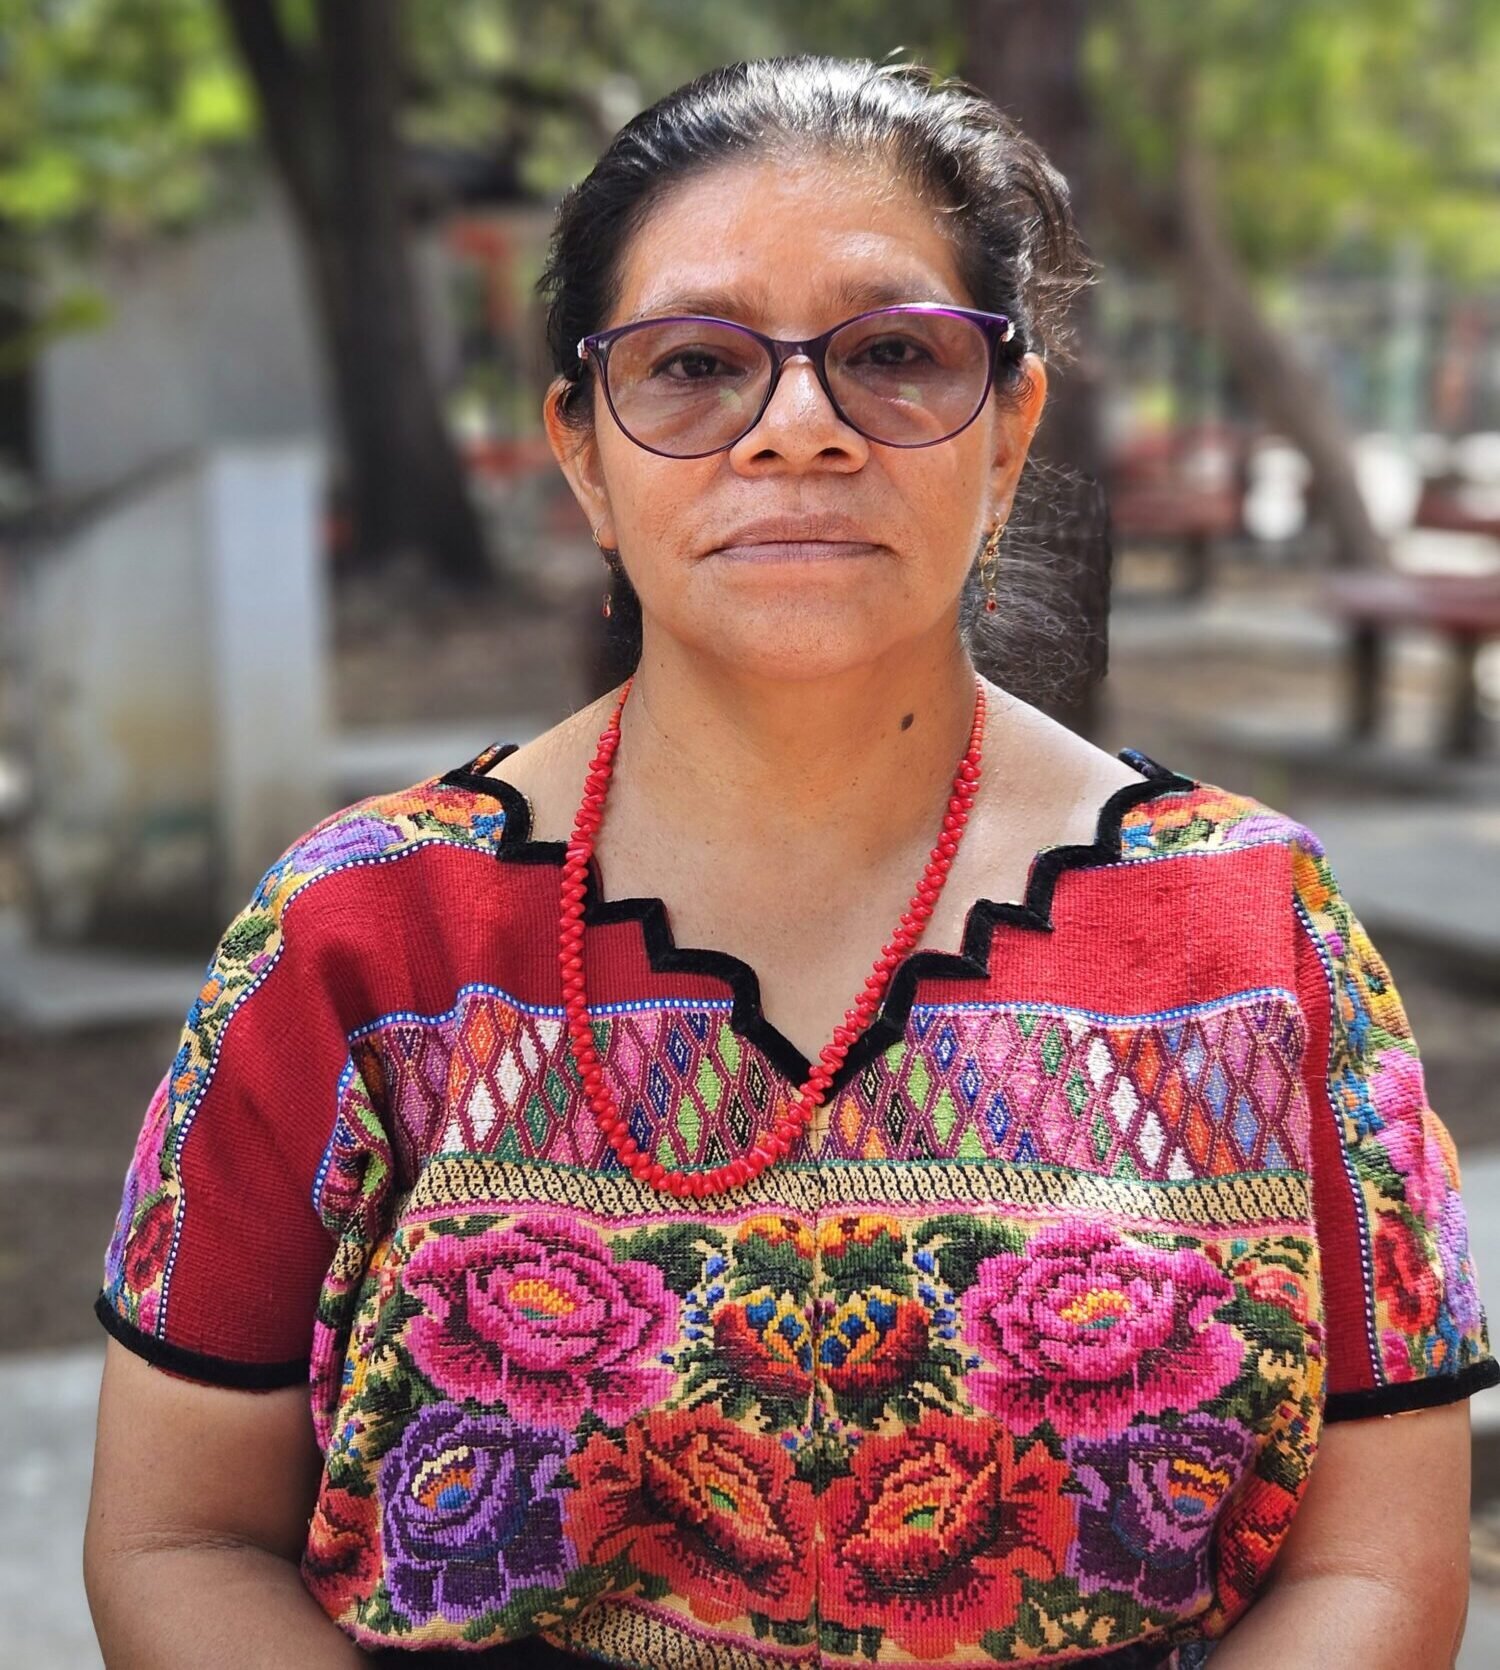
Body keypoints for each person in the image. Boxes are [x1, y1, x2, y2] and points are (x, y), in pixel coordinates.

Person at [84, 54, 1495, 1670]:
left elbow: (1377, 1567)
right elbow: (178, 1536)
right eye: (694, 362)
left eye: (895, 354)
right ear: (583, 456)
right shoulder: (356, 935)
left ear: (1013, 426)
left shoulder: (1258, 930)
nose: (801, 428)